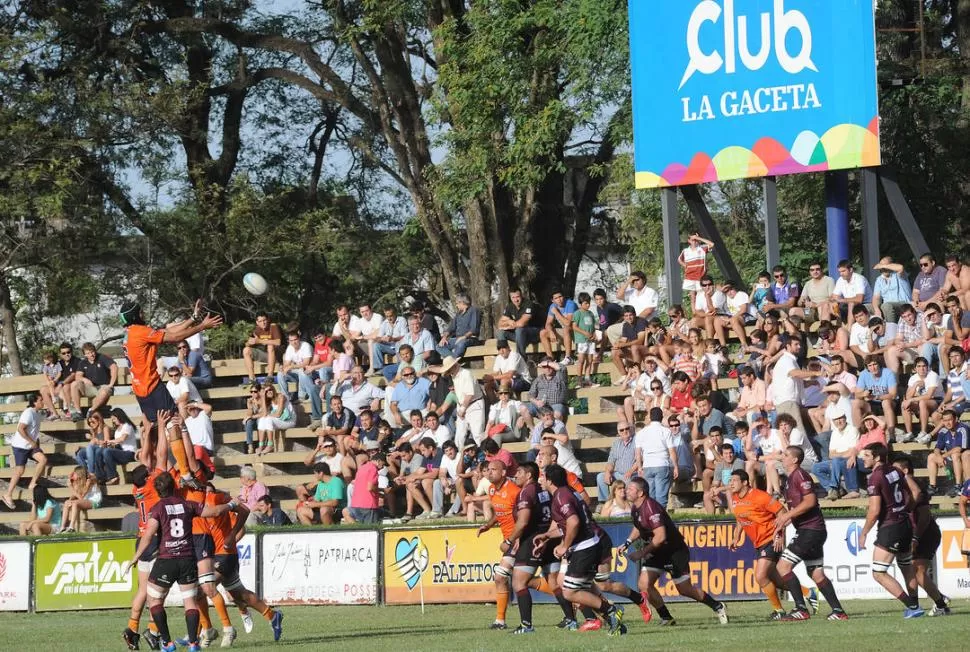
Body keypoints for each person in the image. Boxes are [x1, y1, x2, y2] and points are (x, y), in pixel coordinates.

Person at [123, 472, 251, 652]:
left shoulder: (158, 508)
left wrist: (135, 557)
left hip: (167, 559)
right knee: (190, 602)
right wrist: (232, 503)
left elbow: (148, 534)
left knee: (154, 599)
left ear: (158, 491)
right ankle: (193, 643)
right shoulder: (188, 504)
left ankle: (167, 643)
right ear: (175, 487)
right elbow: (214, 511)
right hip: (187, 559)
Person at [120, 298, 220, 488]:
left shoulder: (130, 333)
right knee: (174, 422)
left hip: (140, 391)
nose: (143, 314)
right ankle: (185, 473)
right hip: (152, 386)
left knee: (159, 433)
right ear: (135, 315)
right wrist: (202, 326)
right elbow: (173, 338)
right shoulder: (141, 332)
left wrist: (193, 318)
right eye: (140, 312)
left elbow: (168, 331)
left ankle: (169, 473)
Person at [619, 476, 728, 626]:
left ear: (640, 493)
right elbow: (639, 527)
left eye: (630, 488)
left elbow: (661, 536)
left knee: (684, 589)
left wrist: (641, 553)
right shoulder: (635, 507)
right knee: (644, 584)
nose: (627, 490)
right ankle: (666, 617)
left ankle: (717, 606)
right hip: (657, 551)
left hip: (674, 551)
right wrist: (627, 542)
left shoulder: (651, 508)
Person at [533, 464, 626, 637]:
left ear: (550, 480)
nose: (541, 480)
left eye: (543, 476)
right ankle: (614, 621)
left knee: (570, 591)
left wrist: (563, 546)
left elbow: (574, 522)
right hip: (587, 545)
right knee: (581, 588)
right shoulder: (566, 492)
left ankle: (612, 610)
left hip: (585, 547)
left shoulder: (561, 495)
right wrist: (547, 535)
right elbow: (567, 525)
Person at [773, 446, 848, 621]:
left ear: (794, 460)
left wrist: (786, 517)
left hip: (810, 530)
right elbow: (798, 508)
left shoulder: (800, 475)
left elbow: (810, 501)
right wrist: (783, 523)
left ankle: (801, 609)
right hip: (811, 530)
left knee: (782, 567)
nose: (782, 458)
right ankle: (838, 611)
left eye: (785, 455)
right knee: (816, 573)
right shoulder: (790, 479)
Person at [205, 488, 284, 646]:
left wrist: (232, 539)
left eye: (207, 489)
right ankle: (272, 615)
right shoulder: (198, 504)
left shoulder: (219, 500)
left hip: (225, 555)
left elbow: (242, 523)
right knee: (239, 593)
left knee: (204, 588)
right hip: (212, 555)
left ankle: (207, 630)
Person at [478, 459, 549, 630]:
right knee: (523, 580)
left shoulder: (516, 491)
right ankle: (568, 595)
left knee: (501, 576)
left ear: (503, 473)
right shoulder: (492, 489)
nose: (489, 472)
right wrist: (488, 524)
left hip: (518, 540)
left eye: (493, 469)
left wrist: (514, 539)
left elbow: (523, 516)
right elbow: (501, 511)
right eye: (488, 470)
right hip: (511, 540)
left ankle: (501, 621)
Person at [857, 442, 925, 618]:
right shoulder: (896, 471)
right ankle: (914, 605)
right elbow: (914, 493)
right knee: (906, 566)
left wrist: (864, 532)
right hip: (905, 524)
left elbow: (874, 510)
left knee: (878, 573)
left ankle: (912, 606)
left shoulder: (875, 477)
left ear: (877, 457)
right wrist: (905, 510)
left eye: (866, 456)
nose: (862, 459)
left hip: (891, 526)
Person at [506, 462, 572, 634]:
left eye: (519, 472)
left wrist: (509, 541)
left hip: (533, 541)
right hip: (550, 539)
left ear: (529, 475)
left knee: (519, 582)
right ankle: (571, 620)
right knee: (554, 581)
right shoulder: (546, 490)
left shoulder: (526, 492)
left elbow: (523, 521)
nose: (516, 475)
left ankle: (526, 625)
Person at [724, 470, 790, 620]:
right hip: (759, 542)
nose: (731, 483)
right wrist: (736, 537)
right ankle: (807, 593)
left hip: (771, 539)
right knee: (775, 579)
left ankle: (779, 611)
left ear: (745, 482)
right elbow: (740, 518)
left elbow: (783, 512)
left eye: (734, 480)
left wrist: (779, 534)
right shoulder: (735, 498)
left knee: (760, 576)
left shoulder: (760, 496)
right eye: (730, 481)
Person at [893, 455, 951, 616]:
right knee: (914, 571)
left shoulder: (916, 486)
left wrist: (915, 538)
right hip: (917, 533)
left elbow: (925, 516)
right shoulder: (903, 487)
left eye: (895, 468)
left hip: (926, 533)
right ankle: (938, 602)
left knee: (916, 571)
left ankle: (936, 604)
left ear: (905, 471)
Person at [1, 394, 49, 510]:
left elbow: (33, 430)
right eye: (41, 400)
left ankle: (32, 483)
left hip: (30, 446)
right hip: (20, 446)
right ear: (35, 402)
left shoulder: (37, 413)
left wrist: (34, 443)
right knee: (20, 470)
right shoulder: (29, 412)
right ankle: (8, 495)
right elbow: (20, 429)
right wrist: (31, 441)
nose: (43, 402)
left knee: (43, 460)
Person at [632, 408, 678, 509]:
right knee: (661, 498)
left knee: (650, 497)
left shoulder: (641, 433)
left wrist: (639, 467)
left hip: (648, 465)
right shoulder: (666, 431)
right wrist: (675, 466)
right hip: (662, 464)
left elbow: (638, 453)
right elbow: (672, 451)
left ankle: (651, 520)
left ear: (650, 417)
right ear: (661, 417)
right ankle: (661, 520)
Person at [276, 330, 322, 427]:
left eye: (295, 340)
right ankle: (286, 397)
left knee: (302, 370)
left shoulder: (305, 346)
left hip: (310, 373)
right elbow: (287, 364)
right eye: (291, 340)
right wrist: (283, 368)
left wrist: (291, 366)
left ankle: (303, 396)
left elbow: (306, 363)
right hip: (297, 373)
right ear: (289, 341)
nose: (294, 342)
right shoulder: (289, 348)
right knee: (280, 374)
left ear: (299, 339)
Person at [924, 409, 970, 497]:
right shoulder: (943, 431)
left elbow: (959, 448)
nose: (947, 423)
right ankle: (932, 486)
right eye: (945, 420)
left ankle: (958, 485)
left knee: (955, 454)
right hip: (950, 459)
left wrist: (943, 456)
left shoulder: (963, 429)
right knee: (931, 457)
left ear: (955, 419)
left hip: (963, 459)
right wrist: (939, 457)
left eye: (949, 420)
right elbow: (937, 448)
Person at [71, 342, 118, 415]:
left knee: (105, 390)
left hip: (103, 387)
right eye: (88, 353)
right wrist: (85, 379)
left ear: (95, 351)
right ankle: (78, 412)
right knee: (74, 384)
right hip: (90, 388)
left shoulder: (102, 357)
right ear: (85, 354)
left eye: (92, 352)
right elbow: (78, 376)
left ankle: (91, 411)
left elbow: (114, 367)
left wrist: (111, 384)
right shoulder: (83, 363)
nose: (91, 354)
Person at [596, 422, 637, 503]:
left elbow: (640, 460)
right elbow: (611, 460)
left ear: (630, 429)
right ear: (618, 432)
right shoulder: (616, 443)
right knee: (600, 477)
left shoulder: (637, 441)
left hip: (632, 474)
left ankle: (627, 505)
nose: (625, 431)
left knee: (628, 480)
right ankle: (606, 503)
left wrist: (630, 471)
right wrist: (608, 472)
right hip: (618, 474)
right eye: (621, 430)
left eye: (627, 428)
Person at [39, 343, 82, 421]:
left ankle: (71, 412)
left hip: (71, 387)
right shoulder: (59, 363)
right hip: (58, 387)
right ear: (61, 354)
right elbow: (50, 371)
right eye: (64, 353)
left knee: (66, 386)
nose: (66, 354)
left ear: (71, 352)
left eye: (68, 352)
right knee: (43, 390)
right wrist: (51, 379)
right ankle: (55, 414)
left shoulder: (77, 361)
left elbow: (73, 375)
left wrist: (62, 383)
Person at [497, 287, 543, 356]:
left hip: (534, 333)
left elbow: (522, 323)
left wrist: (508, 325)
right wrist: (509, 321)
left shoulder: (529, 304)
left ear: (521, 296)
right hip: (520, 335)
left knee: (519, 330)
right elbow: (500, 325)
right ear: (510, 298)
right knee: (501, 332)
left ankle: (520, 357)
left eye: (517, 297)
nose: (516, 300)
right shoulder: (510, 306)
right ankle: (505, 356)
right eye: (513, 297)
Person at [98, 408, 139, 485]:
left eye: (114, 418)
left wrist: (110, 441)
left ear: (119, 416)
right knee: (101, 452)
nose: (113, 421)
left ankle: (113, 477)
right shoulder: (117, 430)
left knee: (107, 452)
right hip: (120, 452)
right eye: (112, 419)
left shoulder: (127, 426)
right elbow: (117, 443)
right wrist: (110, 444)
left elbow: (122, 439)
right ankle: (102, 477)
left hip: (129, 453)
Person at [343, 452, 386, 524]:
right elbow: (370, 487)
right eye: (383, 464)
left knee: (363, 529)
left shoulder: (362, 468)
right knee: (371, 530)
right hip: (368, 505)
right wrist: (382, 490)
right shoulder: (373, 469)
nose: (382, 467)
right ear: (378, 461)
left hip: (356, 504)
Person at [437, 293, 481, 358]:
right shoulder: (458, 314)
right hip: (457, 339)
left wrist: (464, 337)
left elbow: (474, 329)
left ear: (462, 302)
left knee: (461, 343)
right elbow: (451, 328)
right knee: (439, 346)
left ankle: (452, 362)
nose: (456, 305)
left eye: (457, 303)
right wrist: (444, 337)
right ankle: (453, 360)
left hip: (470, 339)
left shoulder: (473, 310)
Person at [255, 384, 295, 455]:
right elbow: (264, 414)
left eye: (270, 390)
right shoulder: (269, 401)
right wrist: (263, 398)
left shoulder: (281, 397)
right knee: (262, 420)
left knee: (268, 419)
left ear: (273, 390)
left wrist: (268, 415)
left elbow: (278, 414)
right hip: (278, 421)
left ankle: (270, 445)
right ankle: (261, 445)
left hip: (289, 421)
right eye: (266, 391)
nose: (269, 392)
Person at [540, 289, 577, 364]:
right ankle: (550, 359)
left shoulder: (570, 304)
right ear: (552, 300)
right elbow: (548, 323)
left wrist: (556, 312)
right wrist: (550, 332)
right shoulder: (552, 307)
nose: (559, 300)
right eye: (556, 298)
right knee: (543, 333)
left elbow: (568, 323)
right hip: (565, 332)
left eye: (560, 296)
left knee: (566, 328)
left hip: (576, 332)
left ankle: (568, 358)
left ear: (563, 296)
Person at [871, 257, 912, 323]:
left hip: (903, 304)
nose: (883, 269)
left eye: (886, 266)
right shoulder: (879, 279)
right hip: (887, 307)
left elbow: (900, 268)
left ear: (891, 266)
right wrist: (876, 309)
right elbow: (876, 298)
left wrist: (882, 265)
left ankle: (891, 328)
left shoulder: (899, 275)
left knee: (886, 306)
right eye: (881, 267)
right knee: (866, 307)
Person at [679, 233, 713, 305]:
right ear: (689, 241)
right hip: (689, 277)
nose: (694, 242)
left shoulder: (702, 248)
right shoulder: (685, 251)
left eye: (696, 240)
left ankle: (704, 311)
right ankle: (695, 313)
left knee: (702, 295)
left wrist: (699, 238)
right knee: (692, 296)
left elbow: (712, 244)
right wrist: (685, 266)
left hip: (700, 276)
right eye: (693, 240)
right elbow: (679, 259)